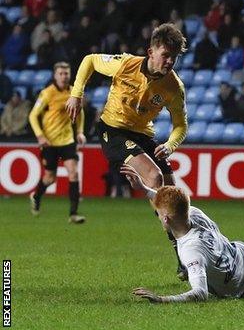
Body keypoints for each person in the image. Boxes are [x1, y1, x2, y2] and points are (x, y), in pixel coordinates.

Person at [65, 23, 190, 279]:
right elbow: (89, 60)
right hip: (113, 130)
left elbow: (180, 126)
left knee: (174, 193)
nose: (170, 62)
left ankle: (184, 256)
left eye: (174, 57)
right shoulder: (125, 64)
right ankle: (182, 251)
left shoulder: (174, 87)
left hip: (144, 135)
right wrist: (76, 94)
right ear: (151, 52)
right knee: (154, 178)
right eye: (166, 55)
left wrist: (170, 145)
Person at [120, 165, 244, 302]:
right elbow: (170, 203)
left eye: (159, 213)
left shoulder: (190, 251)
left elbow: (199, 293)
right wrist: (143, 189)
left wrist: (162, 299)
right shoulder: (193, 212)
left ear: (166, 219)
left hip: (243, 286)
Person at [28, 62, 86, 223]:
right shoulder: (47, 93)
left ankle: (73, 214)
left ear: (70, 74)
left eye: (66, 73)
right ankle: (36, 196)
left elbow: (79, 113)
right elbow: (33, 116)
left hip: (67, 140)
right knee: (50, 178)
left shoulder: (75, 92)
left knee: (73, 173)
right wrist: (40, 136)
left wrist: (80, 132)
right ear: (55, 75)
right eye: (60, 73)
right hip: (49, 143)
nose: (63, 76)